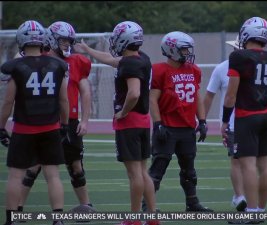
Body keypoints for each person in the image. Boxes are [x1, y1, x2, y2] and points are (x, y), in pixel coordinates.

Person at [75, 21, 160, 225]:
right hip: (141, 121)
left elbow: (134, 93)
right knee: (142, 171)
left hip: (130, 122)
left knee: (134, 174)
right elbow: (112, 60)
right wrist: (88, 49)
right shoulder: (141, 58)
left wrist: (122, 111)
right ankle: (152, 217)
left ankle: (134, 219)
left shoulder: (131, 63)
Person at [17, 21, 95, 213]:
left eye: (69, 41)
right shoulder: (39, 59)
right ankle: (17, 208)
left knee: (76, 165)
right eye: (63, 41)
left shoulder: (78, 62)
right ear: (51, 39)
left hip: (71, 120)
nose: (67, 44)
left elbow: (85, 92)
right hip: (45, 119)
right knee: (33, 166)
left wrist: (85, 120)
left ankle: (86, 206)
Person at [0, 20, 69, 225]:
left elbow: (8, 101)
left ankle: (12, 219)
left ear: (21, 40)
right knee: (53, 175)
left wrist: (1, 127)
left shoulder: (16, 67)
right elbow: (64, 100)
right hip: (50, 128)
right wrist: (64, 125)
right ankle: (58, 218)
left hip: (24, 129)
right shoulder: (58, 65)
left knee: (15, 176)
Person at [220, 16, 267, 221]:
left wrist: (225, 120)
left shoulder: (239, 58)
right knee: (265, 167)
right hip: (265, 116)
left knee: (247, 165)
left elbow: (231, 95)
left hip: (247, 117)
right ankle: (261, 211)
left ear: (246, 34)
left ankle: (252, 212)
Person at [148, 31, 212, 212]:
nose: (187, 53)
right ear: (171, 49)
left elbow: (197, 97)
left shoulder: (193, 70)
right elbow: (152, 99)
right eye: (183, 50)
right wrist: (158, 123)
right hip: (167, 126)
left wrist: (203, 120)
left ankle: (192, 203)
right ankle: (147, 206)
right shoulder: (159, 70)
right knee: (158, 169)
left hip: (187, 127)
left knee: (189, 170)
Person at [203, 37, 247, 212]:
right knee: (236, 160)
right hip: (233, 123)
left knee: (252, 162)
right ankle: (239, 196)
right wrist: (202, 120)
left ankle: (245, 196)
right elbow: (209, 96)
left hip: (252, 121)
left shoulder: (253, 67)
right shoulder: (222, 69)